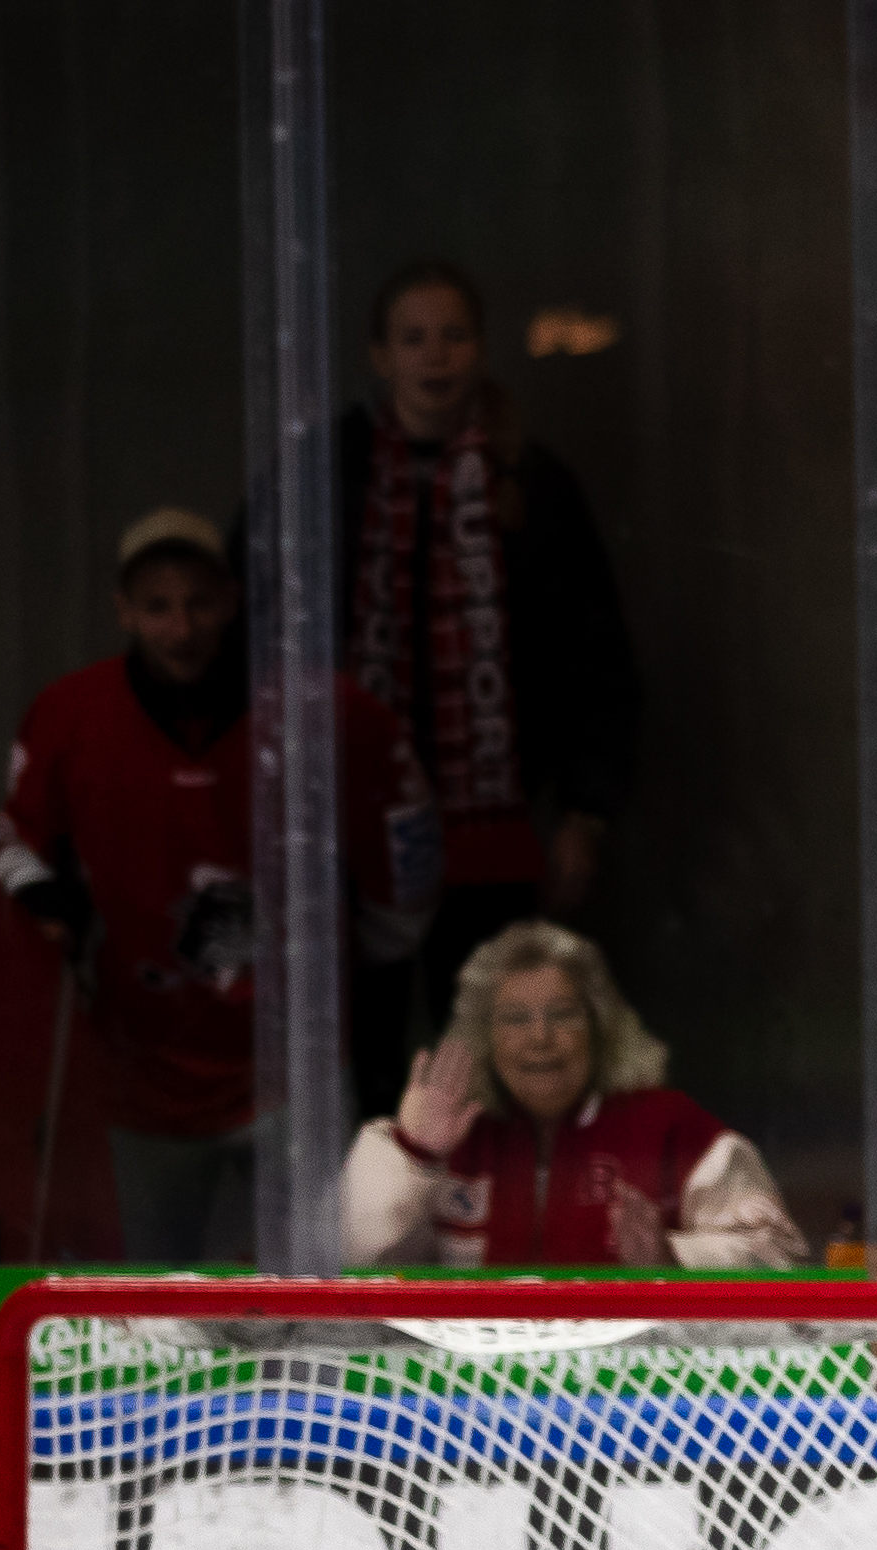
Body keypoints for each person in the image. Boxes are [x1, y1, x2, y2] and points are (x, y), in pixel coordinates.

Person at [0, 509, 435, 1261]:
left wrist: (367, 973)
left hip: (296, 1076)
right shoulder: (69, 717)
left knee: (324, 1303)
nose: (182, 628)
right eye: (157, 606)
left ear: (234, 599)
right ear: (123, 611)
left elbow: (406, 846)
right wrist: (50, 907)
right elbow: (11, 842)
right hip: (141, 1080)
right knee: (149, 1316)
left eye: (199, 602)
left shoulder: (327, 711)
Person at [246, 259, 644, 1113]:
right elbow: (250, 629)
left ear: (482, 349)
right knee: (363, 1052)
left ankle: (488, 1236)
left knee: (495, 1049)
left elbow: (594, 655)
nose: (436, 356)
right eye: (413, 338)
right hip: (351, 829)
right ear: (379, 356)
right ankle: (371, 1226)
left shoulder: (533, 483)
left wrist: (586, 809)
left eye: (455, 335)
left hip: (490, 826)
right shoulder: (323, 475)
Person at [341, 919, 804, 1269]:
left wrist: (674, 1257)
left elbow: (781, 1254)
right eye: (515, 1019)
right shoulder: (442, 1139)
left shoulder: (672, 1128)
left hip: (637, 1393)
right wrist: (413, 1155)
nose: (540, 1037)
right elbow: (348, 1263)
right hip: (462, 1392)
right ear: (485, 1039)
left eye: (562, 1014)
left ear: (599, 1029)